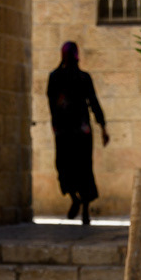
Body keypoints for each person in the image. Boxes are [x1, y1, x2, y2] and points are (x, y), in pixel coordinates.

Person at [46, 41, 109, 225]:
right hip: (66, 131)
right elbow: (52, 103)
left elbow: (93, 102)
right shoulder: (56, 77)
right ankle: (75, 198)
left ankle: (86, 211)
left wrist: (102, 126)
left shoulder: (83, 78)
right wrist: (56, 125)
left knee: (83, 169)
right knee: (64, 167)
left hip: (80, 131)